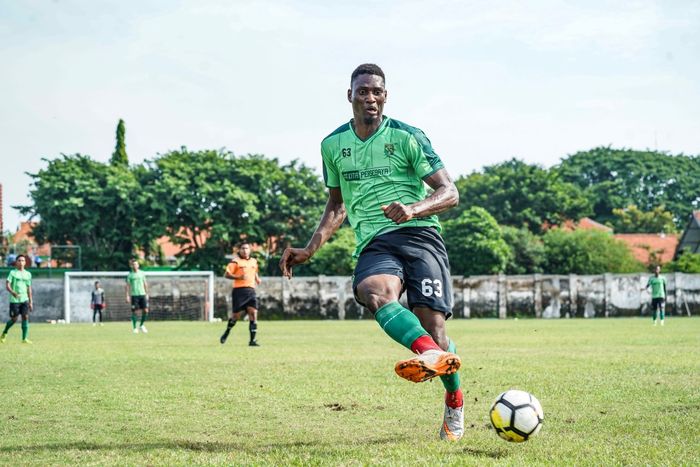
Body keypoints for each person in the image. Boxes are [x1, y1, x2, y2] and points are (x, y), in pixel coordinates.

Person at [279, 64, 464, 441]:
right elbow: (337, 204)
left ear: (386, 96)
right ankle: (429, 354)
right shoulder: (333, 145)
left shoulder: (408, 137)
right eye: (363, 91)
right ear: (350, 96)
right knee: (374, 291)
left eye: (377, 91)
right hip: (375, 242)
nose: (371, 98)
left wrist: (413, 208)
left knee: (437, 331)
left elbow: (450, 192)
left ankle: (454, 399)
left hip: (420, 235)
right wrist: (310, 249)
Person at [220, 242, 262, 346]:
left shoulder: (254, 261)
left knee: (253, 314)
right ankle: (227, 331)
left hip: (251, 291)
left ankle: (252, 341)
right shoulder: (235, 262)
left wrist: (257, 278)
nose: (245, 250)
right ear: (239, 250)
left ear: (250, 250)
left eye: (246, 248)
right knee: (236, 316)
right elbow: (226, 274)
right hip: (239, 291)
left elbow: (254, 271)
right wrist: (238, 277)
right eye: (242, 248)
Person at [1, 254, 33, 344]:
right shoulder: (12, 273)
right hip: (14, 300)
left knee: (25, 317)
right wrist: (13, 292)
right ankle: (4, 332)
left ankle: (24, 338)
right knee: (14, 319)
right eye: (19, 260)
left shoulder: (28, 274)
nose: (21, 262)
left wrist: (31, 301)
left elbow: (29, 288)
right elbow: (7, 285)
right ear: (16, 262)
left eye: (23, 260)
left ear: (25, 262)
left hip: (25, 299)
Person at [126, 259, 149, 333]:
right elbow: (127, 286)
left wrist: (147, 293)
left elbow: (145, 283)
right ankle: (135, 328)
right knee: (135, 312)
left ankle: (141, 325)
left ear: (138, 265)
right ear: (132, 266)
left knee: (145, 310)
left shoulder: (142, 273)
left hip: (142, 294)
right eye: (134, 264)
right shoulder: (130, 275)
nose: (135, 266)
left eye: (136, 264)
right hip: (134, 295)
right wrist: (127, 295)